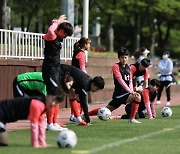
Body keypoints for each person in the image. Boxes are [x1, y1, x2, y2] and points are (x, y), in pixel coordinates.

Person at [88, 47, 142, 124]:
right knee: (137, 97)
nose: (124, 59)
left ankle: (131, 118)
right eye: (122, 57)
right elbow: (120, 81)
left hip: (126, 94)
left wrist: (131, 91)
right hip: (119, 95)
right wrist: (130, 91)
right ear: (119, 58)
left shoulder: (129, 68)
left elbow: (130, 81)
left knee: (104, 110)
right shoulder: (116, 67)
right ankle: (131, 119)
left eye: (125, 57)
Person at [0, 88, 64, 148]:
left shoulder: (44, 106)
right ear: (47, 95)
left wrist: (42, 143)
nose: (53, 103)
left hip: (4, 118)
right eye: (53, 100)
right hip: (1, 113)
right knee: (4, 143)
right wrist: (35, 144)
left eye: (56, 103)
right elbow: (34, 126)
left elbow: (41, 125)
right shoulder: (37, 105)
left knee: (3, 142)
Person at [42, 15, 73, 129]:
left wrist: (62, 21)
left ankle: (54, 121)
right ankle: (49, 123)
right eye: (65, 34)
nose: (65, 37)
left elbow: (65, 25)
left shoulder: (58, 36)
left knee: (58, 94)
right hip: (49, 69)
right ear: (60, 31)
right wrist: (58, 21)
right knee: (53, 94)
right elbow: (51, 29)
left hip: (56, 69)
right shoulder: (52, 36)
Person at [70, 37, 91, 122]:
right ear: (85, 45)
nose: (89, 46)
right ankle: (76, 115)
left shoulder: (77, 52)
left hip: (73, 76)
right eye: (89, 44)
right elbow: (82, 68)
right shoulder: (81, 54)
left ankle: (74, 115)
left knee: (76, 96)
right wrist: (87, 77)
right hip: (78, 77)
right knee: (81, 97)